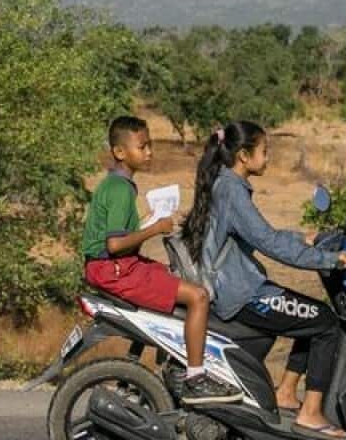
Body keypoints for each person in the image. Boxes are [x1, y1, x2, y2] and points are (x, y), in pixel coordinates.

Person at [182, 121, 346, 438]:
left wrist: (304, 237)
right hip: (240, 293)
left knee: (312, 314)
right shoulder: (232, 190)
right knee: (326, 323)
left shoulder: (227, 184)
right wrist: (331, 259)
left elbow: (260, 235)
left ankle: (287, 393)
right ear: (243, 155)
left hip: (235, 285)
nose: (268, 158)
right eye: (264, 151)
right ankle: (310, 413)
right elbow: (270, 244)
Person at [81, 115, 242, 405]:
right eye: (142, 147)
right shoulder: (119, 189)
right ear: (120, 152)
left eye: (149, 146)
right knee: (198, 297)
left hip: (110, 267)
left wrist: (149, 220)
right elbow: (115, 244)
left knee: (171, 279)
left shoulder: (115, 184)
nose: (149, 153)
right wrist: (155, 229)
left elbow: (118, 232)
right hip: (114, 269)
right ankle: (195, 377)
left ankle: (160, 369)